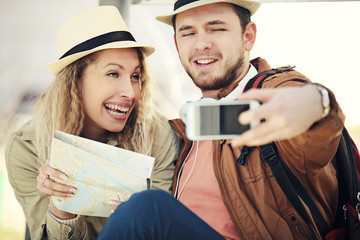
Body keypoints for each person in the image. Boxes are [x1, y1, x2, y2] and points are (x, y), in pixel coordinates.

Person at [98, 1, 345, 240]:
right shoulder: (183, 132)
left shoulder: (274, 94)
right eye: (188, 33)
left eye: (216, 28)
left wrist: (317, 102)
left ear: (247, 36)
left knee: (146, 208)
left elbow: (314, 121)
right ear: (176, 43)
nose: (202, 43)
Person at [5, 6, 179, 240]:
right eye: (113, 74)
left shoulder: (157, 135)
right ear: (74, 81)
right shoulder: (27, 147)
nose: (130, 92)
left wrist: (136, 215)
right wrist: (61, 210)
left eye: (135, 76)